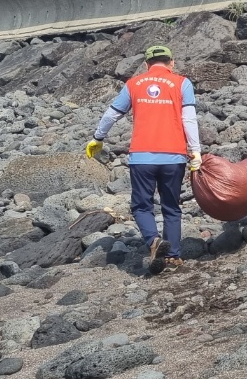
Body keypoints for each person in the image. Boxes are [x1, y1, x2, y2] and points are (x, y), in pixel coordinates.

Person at [86, 44, 202, 275]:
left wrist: (98, 137)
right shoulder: (182, 83)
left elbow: (111, 114)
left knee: (141, 205)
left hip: (142, 156)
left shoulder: (134, 84)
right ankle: (173, 256)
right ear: (171, 63)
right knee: (171, 207)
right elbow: (189, 119)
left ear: (147, 64)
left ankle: (153, 241)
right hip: (174, 156)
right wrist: (196, 150)